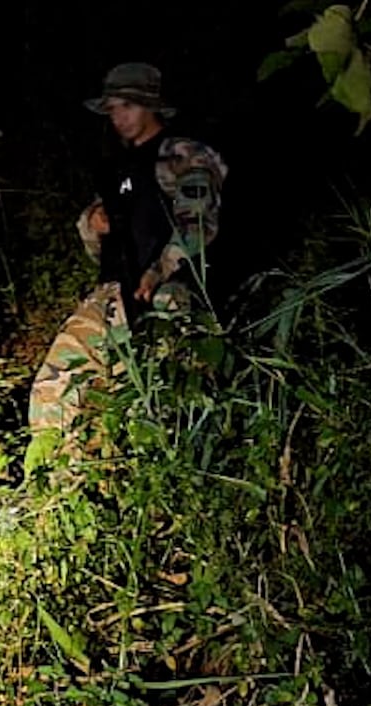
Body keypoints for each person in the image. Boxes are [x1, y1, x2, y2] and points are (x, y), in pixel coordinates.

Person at [28, 62, 227, 440]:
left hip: (170, 297)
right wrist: (93, 222)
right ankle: (61, 487)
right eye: (112, 109)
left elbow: (200, 227)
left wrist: (159, 271)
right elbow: (97, 242)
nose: (117, 117)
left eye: (127, 106)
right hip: (113, 294)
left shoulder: (182, 155)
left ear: (151, 106)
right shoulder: (117, 166)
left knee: (158, 409)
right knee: (55, 390)